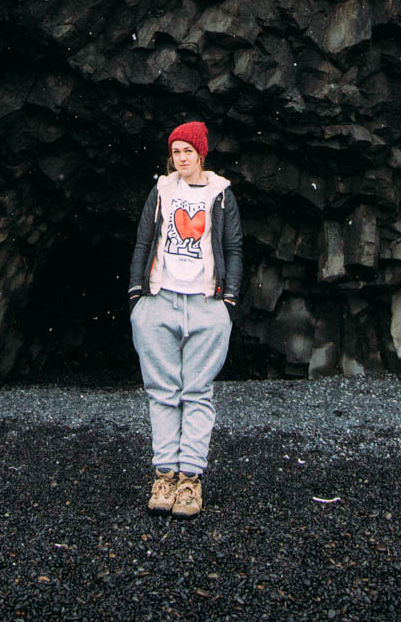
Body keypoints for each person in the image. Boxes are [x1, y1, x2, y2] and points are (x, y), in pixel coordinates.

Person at [127, 119, 243, 518]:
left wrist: (228, 301)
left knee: (196, 392)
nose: (181, 158)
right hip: (160, 300)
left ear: (201, 154)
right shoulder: (162, 190)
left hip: (207, 303)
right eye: (176, 152)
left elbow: (233, 246)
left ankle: (190, 480)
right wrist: (136, 297)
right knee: (162, 391)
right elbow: (144, 241)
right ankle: (164, 476)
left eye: (188, 151)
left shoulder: (221, 193)